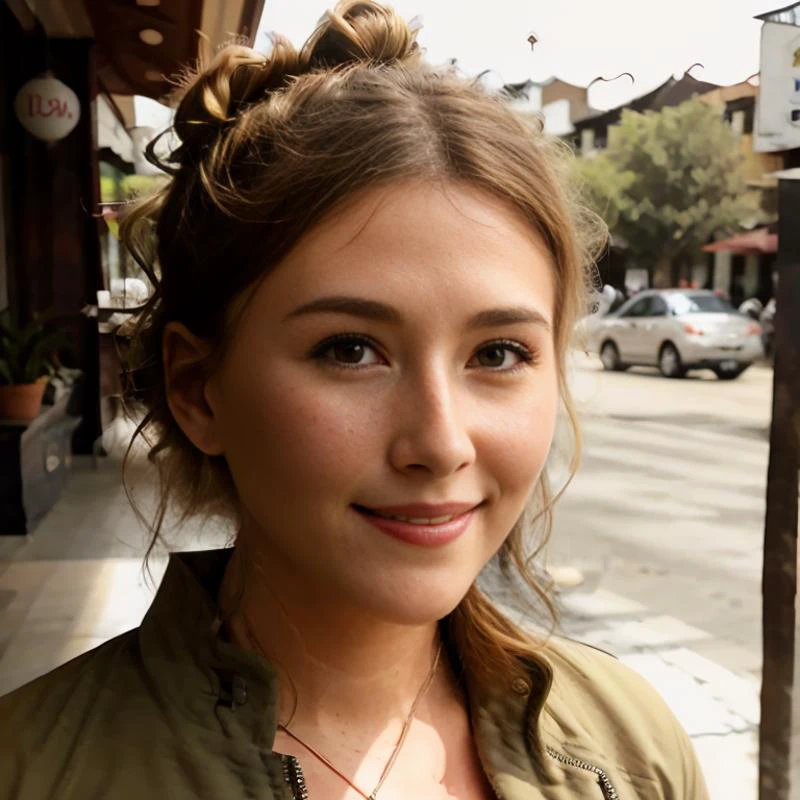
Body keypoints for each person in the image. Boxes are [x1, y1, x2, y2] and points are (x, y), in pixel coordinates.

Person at [0, 2, 709, 798]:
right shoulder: (34, 770)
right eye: (349, 350)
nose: (441, 444)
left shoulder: (631, 748)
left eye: (499, 353)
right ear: (199, 390)